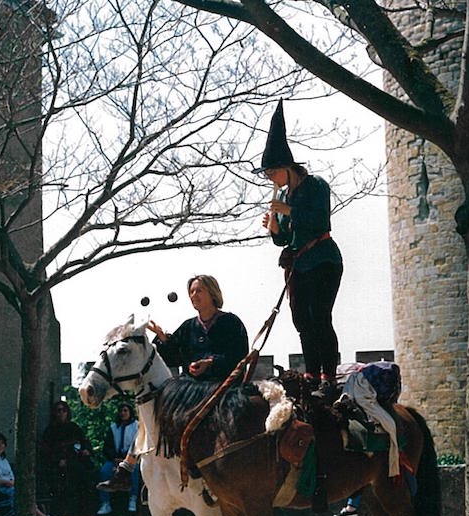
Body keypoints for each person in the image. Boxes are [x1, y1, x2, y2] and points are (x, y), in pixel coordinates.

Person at [98, 275, 249, 492]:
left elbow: (239, 356)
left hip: (221, 387)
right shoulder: (189, 327)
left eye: (199, 290)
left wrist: (210, 363)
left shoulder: (230, 322)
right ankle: (127, 468)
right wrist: (163, 338)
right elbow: (172, 356)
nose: (193, 295)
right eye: (192, 291)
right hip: (190, 390)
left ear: (212, 293)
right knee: (153, 410)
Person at [258, 99, 343, 400]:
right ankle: (310, 372)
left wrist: (289, 211)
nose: (271, 180)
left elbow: (319, 221)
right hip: (298, 263)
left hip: (322, 259)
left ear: (285, 167)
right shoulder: (282, 194)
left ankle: (328, 375)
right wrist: (276, 226)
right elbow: (283, 241)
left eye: (272, 173)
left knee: (320, 315)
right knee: (301, 319)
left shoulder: (315, 185)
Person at [39, 400, 95, 516]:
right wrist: (59, 459)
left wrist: (86, 450)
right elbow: (47, 451)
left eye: (64, 410)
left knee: (89, 475)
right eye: (58, 411)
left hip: (76, 461)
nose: (61, 413)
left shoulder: (74, 427)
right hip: (59, 465)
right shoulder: (50, 431)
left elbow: (84, 442)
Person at [96, 402, 140, 515]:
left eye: (125, 410)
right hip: (115, 459)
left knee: (134, 471)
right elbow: (107, 446)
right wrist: (114, 458)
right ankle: (105, 503)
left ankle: (133, 499)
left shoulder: (137, 426)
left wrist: (126, 458)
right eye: (121, 411)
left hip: (132, 459)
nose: (123, 413)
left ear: (130, 412)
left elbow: (138, 445)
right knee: (104, 471)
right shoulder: (113, 427)